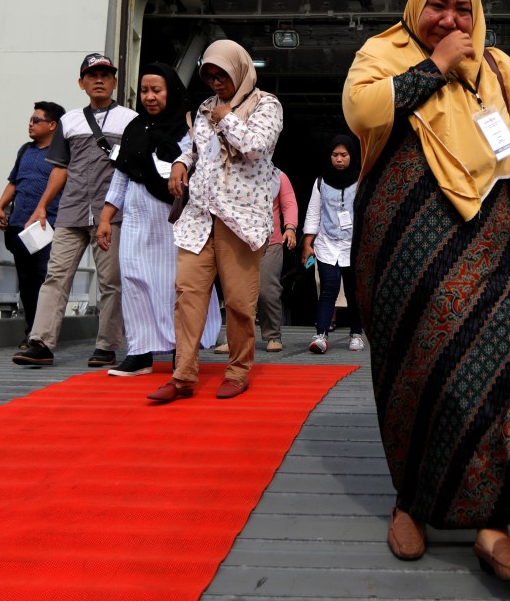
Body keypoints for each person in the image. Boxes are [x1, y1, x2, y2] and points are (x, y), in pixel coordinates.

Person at [343, 0, 510, 583]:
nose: (450, 18)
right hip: (401, 237)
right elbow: (362, 113)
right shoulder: (381, 53)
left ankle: (492, 525)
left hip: (487, 231)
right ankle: (411, 503)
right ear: (416, 4)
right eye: (437, 6)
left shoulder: (496, 66)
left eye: (461, 8)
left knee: (499, 366)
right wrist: (436, 66)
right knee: (414, 366)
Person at [147, 39, 282, 403]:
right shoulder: (206, 107)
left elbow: (256, 147)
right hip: (199, 217)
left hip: (240, 219)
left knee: (239, 302)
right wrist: (180, 163)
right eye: (209, 76)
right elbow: (195, 149)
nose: (216, 83)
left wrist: (229, 120)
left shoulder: (266, 104)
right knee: (187, 296)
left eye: (221, 75)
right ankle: (183, 375)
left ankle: (238, 372)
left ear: (239, 70)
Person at [96, 63, 222, 376]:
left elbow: (199, 167)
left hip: (174, 218)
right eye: (144, 91)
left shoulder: (189, 126)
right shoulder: (135, 128)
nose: (149, 97)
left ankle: (184, 349)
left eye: (157, 90)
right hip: (137, 216)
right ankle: (140, 352)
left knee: (173, 284)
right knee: (134, 280)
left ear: (171, 90)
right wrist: (106, 217)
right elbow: (121, 177)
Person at [13, 54, 136, 368]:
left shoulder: (130, 119)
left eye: (105, 75)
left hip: (112, 211)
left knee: (111, 281)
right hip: (71, 210)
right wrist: (41, 207)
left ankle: (107, 345)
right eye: (92, 75)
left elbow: (135, 170)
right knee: (55, 276)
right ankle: (41, 343)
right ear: (81, 83)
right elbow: (60, 169)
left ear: (114, 82)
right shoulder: (69, 121)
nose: (99, 80)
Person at [0, 101, 67, 348]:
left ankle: (41, 335)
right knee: (26, 282)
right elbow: (14, 181)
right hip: (19, 225)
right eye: (30, 119)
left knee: (43, 278)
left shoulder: (62, 154)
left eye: (36, 120)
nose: (30, 123)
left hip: (47, 226)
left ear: (52, 125)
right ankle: (31, 331)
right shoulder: (25, 149)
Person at [214, 166, 298, 354]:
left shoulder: (279, 176)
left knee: (267, 290)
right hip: (239, 241)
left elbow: (289, 204)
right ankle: (235, 339)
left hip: (271, 241)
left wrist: (290, 228)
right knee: (237, 291)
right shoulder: (233, 173)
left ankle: (273, 335)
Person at [300, 135, 364, 354]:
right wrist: (308, 243)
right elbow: (313, 212)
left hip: (353, 246)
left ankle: (356, 334)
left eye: (344, 155)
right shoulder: (321, 182)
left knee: (353, 291)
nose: (339, 159)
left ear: (352, 156)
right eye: (335, 155)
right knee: (328, 289)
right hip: (327, 244)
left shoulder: (361, 179)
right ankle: (321, 335)